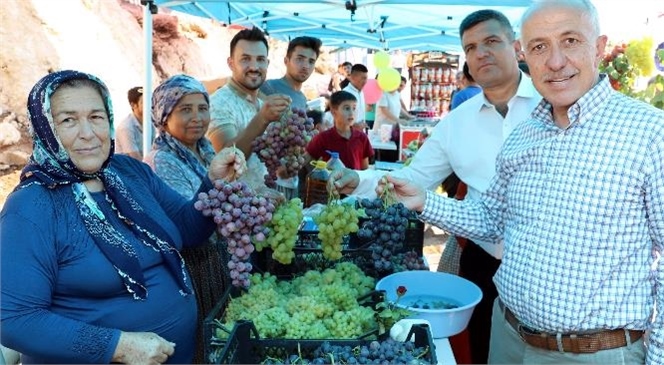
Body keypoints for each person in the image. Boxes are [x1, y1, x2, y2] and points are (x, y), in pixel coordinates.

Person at [365, 0, 664, 363]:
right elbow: (493, 220)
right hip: (507, 337)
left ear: (598, 47)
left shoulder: (649, 133)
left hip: (593, 353)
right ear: (525, 53)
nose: (555, 61)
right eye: (540, 46)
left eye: (570, 41)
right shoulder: (524, 136)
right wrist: (423, 202)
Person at [326, 9, 542, 364]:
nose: (481, 53)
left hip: (553, 265)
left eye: (491, 42)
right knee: (486, 352)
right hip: (487, 261)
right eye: (471, 48)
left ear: (516, 46)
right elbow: (414, 179)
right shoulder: (456, 123)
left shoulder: (554, 103)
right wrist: (358, 180)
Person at [0, 70, 245, 364]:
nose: (88, 133)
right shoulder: (31, 206)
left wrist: (213, 181)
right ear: (45, 128)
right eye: (68, 120)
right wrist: (117, 346)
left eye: (96, 117)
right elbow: (13, 318)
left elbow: (187, 229)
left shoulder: (128, 171)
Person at [143, 74, 228, 363]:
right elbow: (189, 222)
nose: (197, 117)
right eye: (185, 109)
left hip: (214, 260)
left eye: (202, 108)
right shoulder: (161, 161)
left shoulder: (205, 150)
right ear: (163, 116)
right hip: (191, 268)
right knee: (202, 343)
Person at [206, 26, 291, 193]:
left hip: (261, 210)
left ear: (267, 63)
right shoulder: (219, 102)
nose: (254, 66)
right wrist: (262, 119)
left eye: (260, 59)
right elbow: (227, 158)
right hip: (231, 212)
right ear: (231, 63)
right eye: (245, 59)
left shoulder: (261, 103)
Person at [305, 90, 374, 170]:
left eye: (354, 108)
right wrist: (320, 174)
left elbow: (364, 169)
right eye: (347, 108)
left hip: (356, 181)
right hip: (331, 182)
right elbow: (307, 160)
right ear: (334, 112)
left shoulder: (362, 138)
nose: (351, 113)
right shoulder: (323, 138)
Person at [260, 36, 322, 111]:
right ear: (286, 61)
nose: (306, 66)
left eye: (311, 61)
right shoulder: (268, 88)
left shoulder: (302, 98)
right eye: (300, 59)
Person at [115, 86, 145, 159]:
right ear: (133, 105)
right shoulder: (126, 127)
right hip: (127, 168)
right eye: (144, 102)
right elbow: (136, 159)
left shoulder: (150, 123)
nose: (150, 105)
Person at [342, 64, 369, 130]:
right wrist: (355, 125)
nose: (365, 81)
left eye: (366, 78)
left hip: (360, 134)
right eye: (363, 78)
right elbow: (340, 117)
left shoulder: (361, 92)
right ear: (353, 77)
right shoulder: (345, 93)